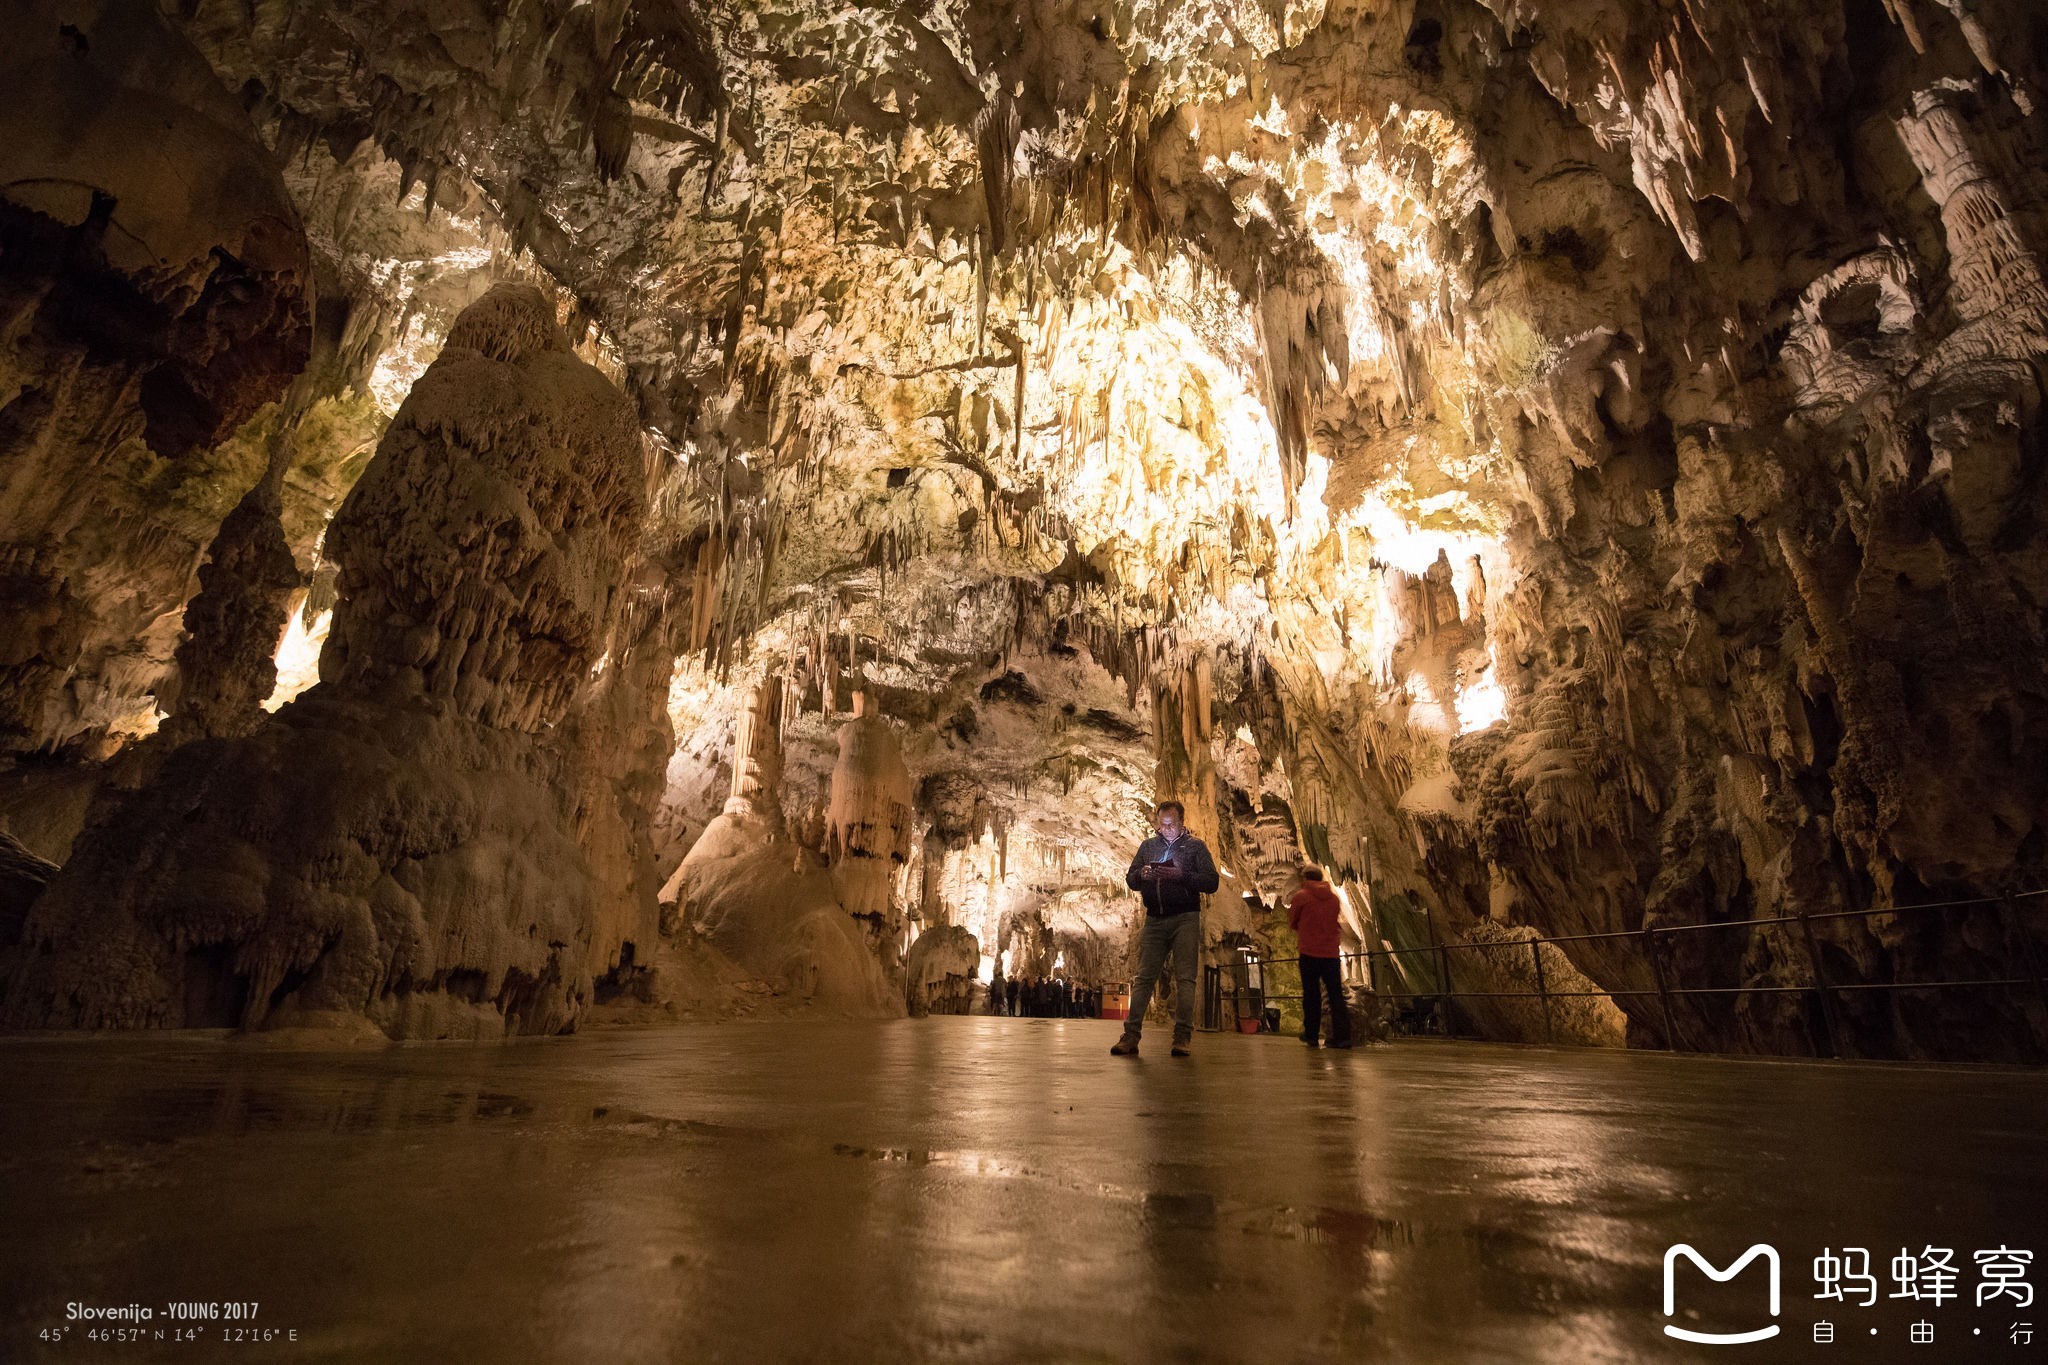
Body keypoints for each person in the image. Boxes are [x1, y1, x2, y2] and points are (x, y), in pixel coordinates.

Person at [1111, 800, 1220, 1058]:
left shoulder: (1195, 847)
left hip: (1185, 917)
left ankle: (1182, 1037)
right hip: (1155, 919)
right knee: (1144, 978)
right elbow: (1130, 877)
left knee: (1185, 978)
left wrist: (1182, 876)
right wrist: (1143, 875)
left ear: (1182, 821)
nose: (1166, 829)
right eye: (1162, 824)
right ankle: (1131, 1035)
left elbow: (1211, 881)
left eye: (1171, 824)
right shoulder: (1149, 846)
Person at [1289, 865, 1352, 1049]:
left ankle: (1311, 1035)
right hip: (1331, 953)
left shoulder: (1301, 897)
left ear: (1306, 878)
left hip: (1309, 952)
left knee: (1311, 995)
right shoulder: (1333, 899)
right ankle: (1343, 1037)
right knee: (1335, 995)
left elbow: (1293, 920)